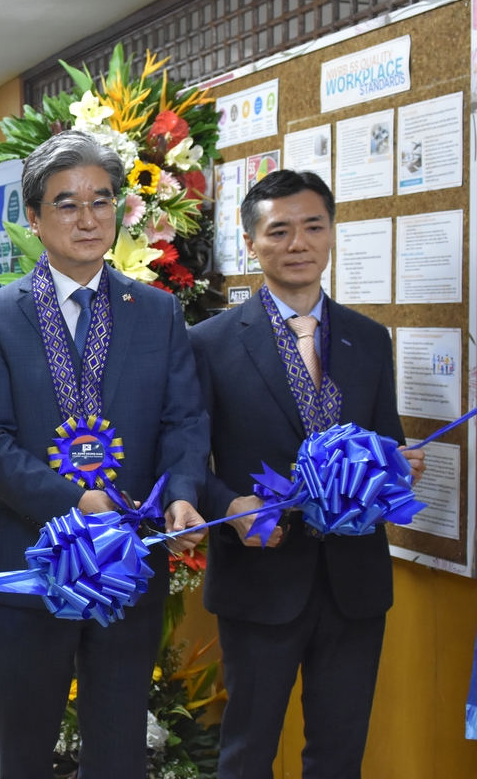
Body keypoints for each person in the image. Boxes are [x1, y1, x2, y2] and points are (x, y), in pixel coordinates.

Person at [0, 130, 208, 779]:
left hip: (128, 568)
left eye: (102, 200)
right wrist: (78, 502)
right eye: (66, 204)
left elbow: (184, 420)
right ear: (35, 219)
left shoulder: (156, 312)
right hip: (30, 569)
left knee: (119, 748)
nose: (88, 217)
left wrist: (183, 491)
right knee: (26, 750)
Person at [188, 170, 426, 779]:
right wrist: (229, 506)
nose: (299, 243)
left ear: (331, 233)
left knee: (340, 752)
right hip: (259, 577)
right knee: (247, 750)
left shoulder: (369, 340)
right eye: (280, 230)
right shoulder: (208, 343)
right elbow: (186, 457)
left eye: (313, 226)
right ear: (250, 243)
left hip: (354, 581)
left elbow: (385, 441)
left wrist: (398, 471)